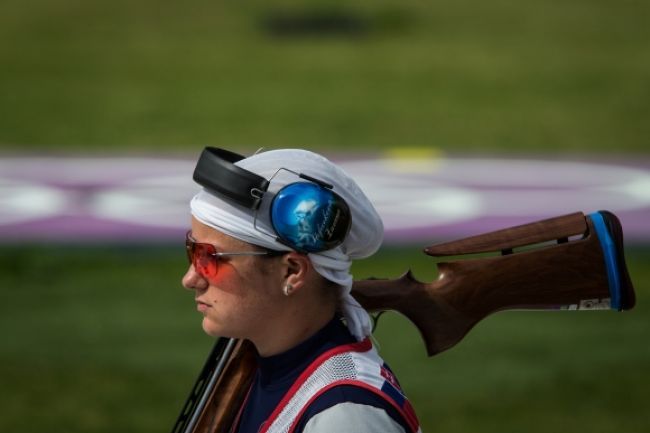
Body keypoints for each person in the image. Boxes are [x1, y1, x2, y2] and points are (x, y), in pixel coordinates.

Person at [182, 147, 421, 433]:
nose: (190, 278)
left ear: (292, 272)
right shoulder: (259, 363)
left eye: (209, 257)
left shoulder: (345, 417)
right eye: (191, 251)